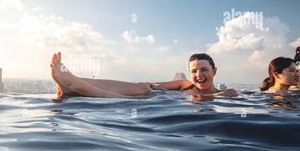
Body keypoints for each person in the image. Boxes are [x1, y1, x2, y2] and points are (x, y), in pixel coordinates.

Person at [50, 52, 237, 101]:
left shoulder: (227, 93)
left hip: (158, 107)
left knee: (126, 100)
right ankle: (71, 81)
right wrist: (153, 86)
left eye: (204, 70)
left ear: (214, 71)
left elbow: (221, 96)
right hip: (158, 98)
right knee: (144, 87)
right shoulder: (184, 84)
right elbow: (154, 85)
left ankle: (73, 84)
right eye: (194, 71)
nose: (199, 75)